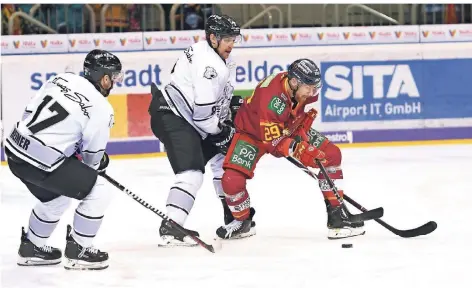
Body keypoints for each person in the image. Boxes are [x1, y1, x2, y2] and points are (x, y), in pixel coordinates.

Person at [216, 59, 366, 240]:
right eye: (308, 87)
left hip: (286, 127)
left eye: (315, 87)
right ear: (294, 82)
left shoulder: (303, 91)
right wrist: (298, 149)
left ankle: (337, 217)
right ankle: (243, 222)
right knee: (231, 180)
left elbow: (292, 119)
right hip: (252, 133)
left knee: (332, 155)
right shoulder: (271, 98)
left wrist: (301, 134)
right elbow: (273, 143)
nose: (312, 93)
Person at [4, 49, 123, 270]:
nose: (114, 83)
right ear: (105, 78)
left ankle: (32, 247)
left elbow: (30, 110)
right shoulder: (101, 107)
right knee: (100, 190)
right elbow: (92, 161)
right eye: (114, 78)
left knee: (56, 199)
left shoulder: (61, 78)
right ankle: (80, 249)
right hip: (41, 161)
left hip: (14, 150)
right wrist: (92, 162)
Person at [148, 14, 255, 247]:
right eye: (227, 39)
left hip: (182, 116)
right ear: (213, 38)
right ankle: (172, 226)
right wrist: (221, 130)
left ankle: (233, 215)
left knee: (221, 157)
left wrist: (225, 116)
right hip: (175, 117)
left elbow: (208, 103)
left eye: (234, 39)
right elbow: (203, 115)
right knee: (191, 174)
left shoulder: (204, 50)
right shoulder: (211, 66)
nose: (231, 44)